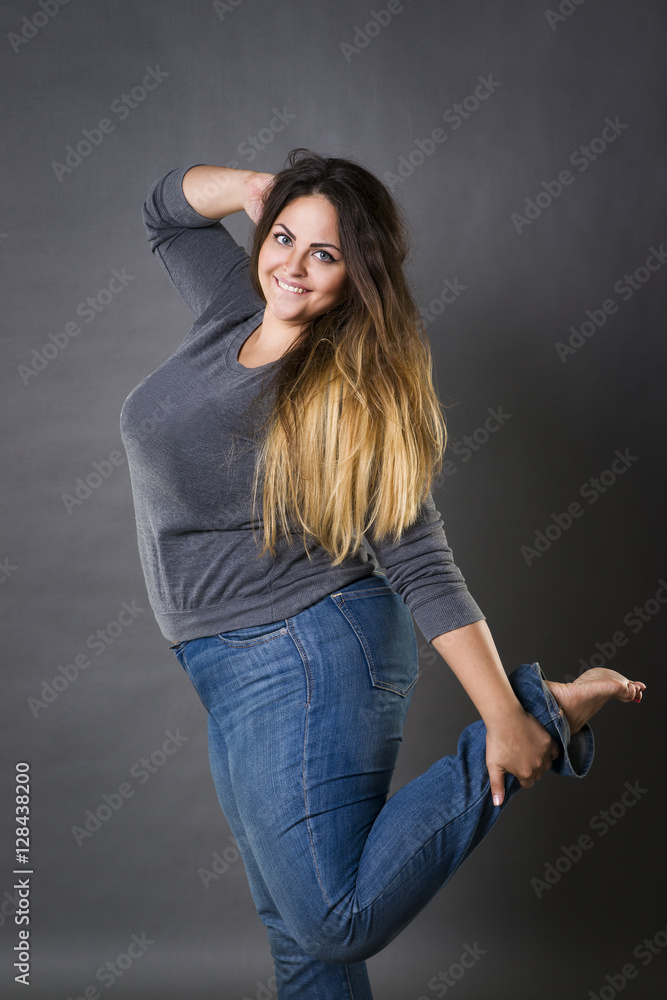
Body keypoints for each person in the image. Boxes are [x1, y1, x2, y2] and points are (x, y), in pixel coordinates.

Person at [120, 148, 646, 999]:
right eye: (283, 239)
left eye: (323, 254)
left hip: (309, 654)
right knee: (295, 937)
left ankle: (543, 709)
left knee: (333, 923)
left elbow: (421, 563)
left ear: (356, 275)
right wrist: (262, 190)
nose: (291, 265)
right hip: (223, 664)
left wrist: (508, 718)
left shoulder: (346, 388)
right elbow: (163, 209)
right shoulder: (232, 311)